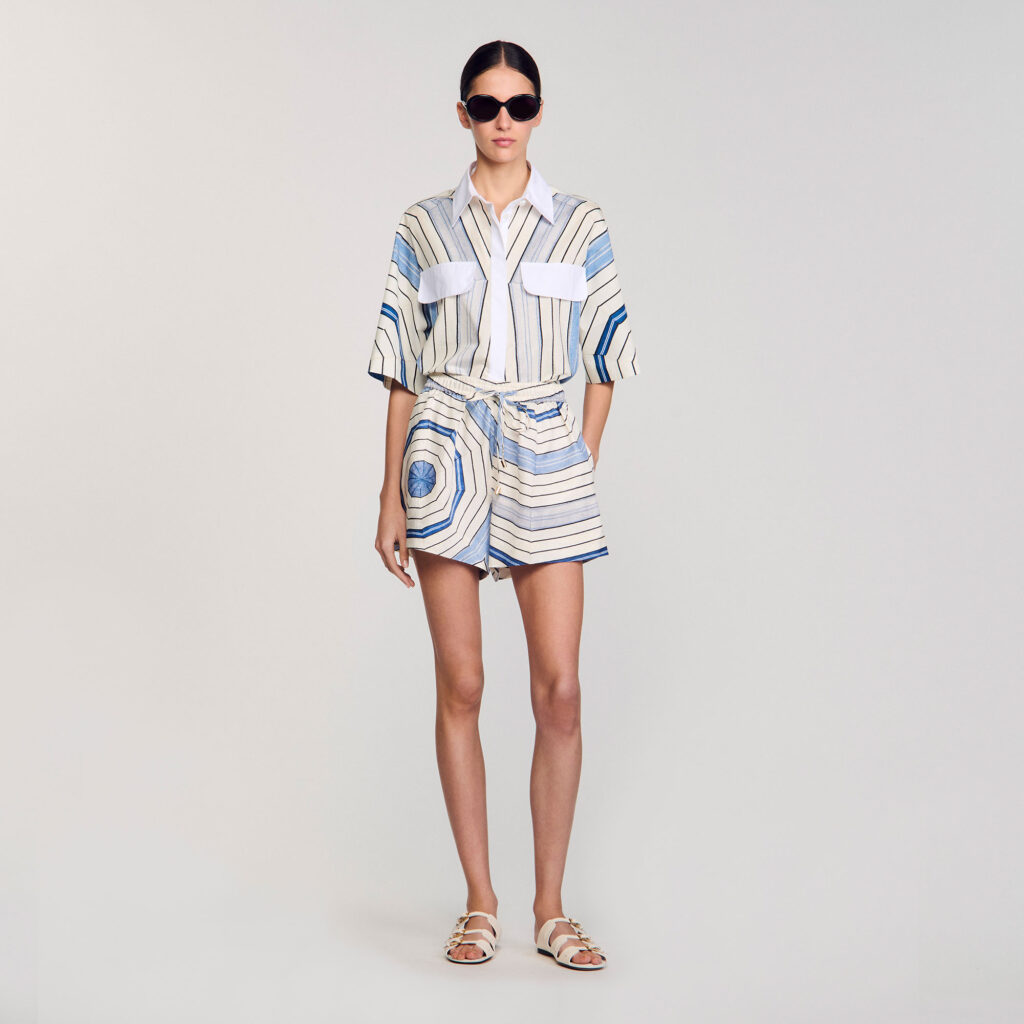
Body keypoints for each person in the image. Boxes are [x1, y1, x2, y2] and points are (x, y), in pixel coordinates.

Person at [367, 40, 639, 970]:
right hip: (444, 449)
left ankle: (550, 909)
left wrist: (577, 460)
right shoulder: (423, 224)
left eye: (519, 104)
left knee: (559, 689)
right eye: (486, 105)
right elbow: (401, 369)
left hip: (542, 450)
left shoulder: (579, 222)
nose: (503, 121)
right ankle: (479, 903)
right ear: (463, 114)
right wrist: (388, 494)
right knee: (463, 685)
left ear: (538, 111)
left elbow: (608, 355)